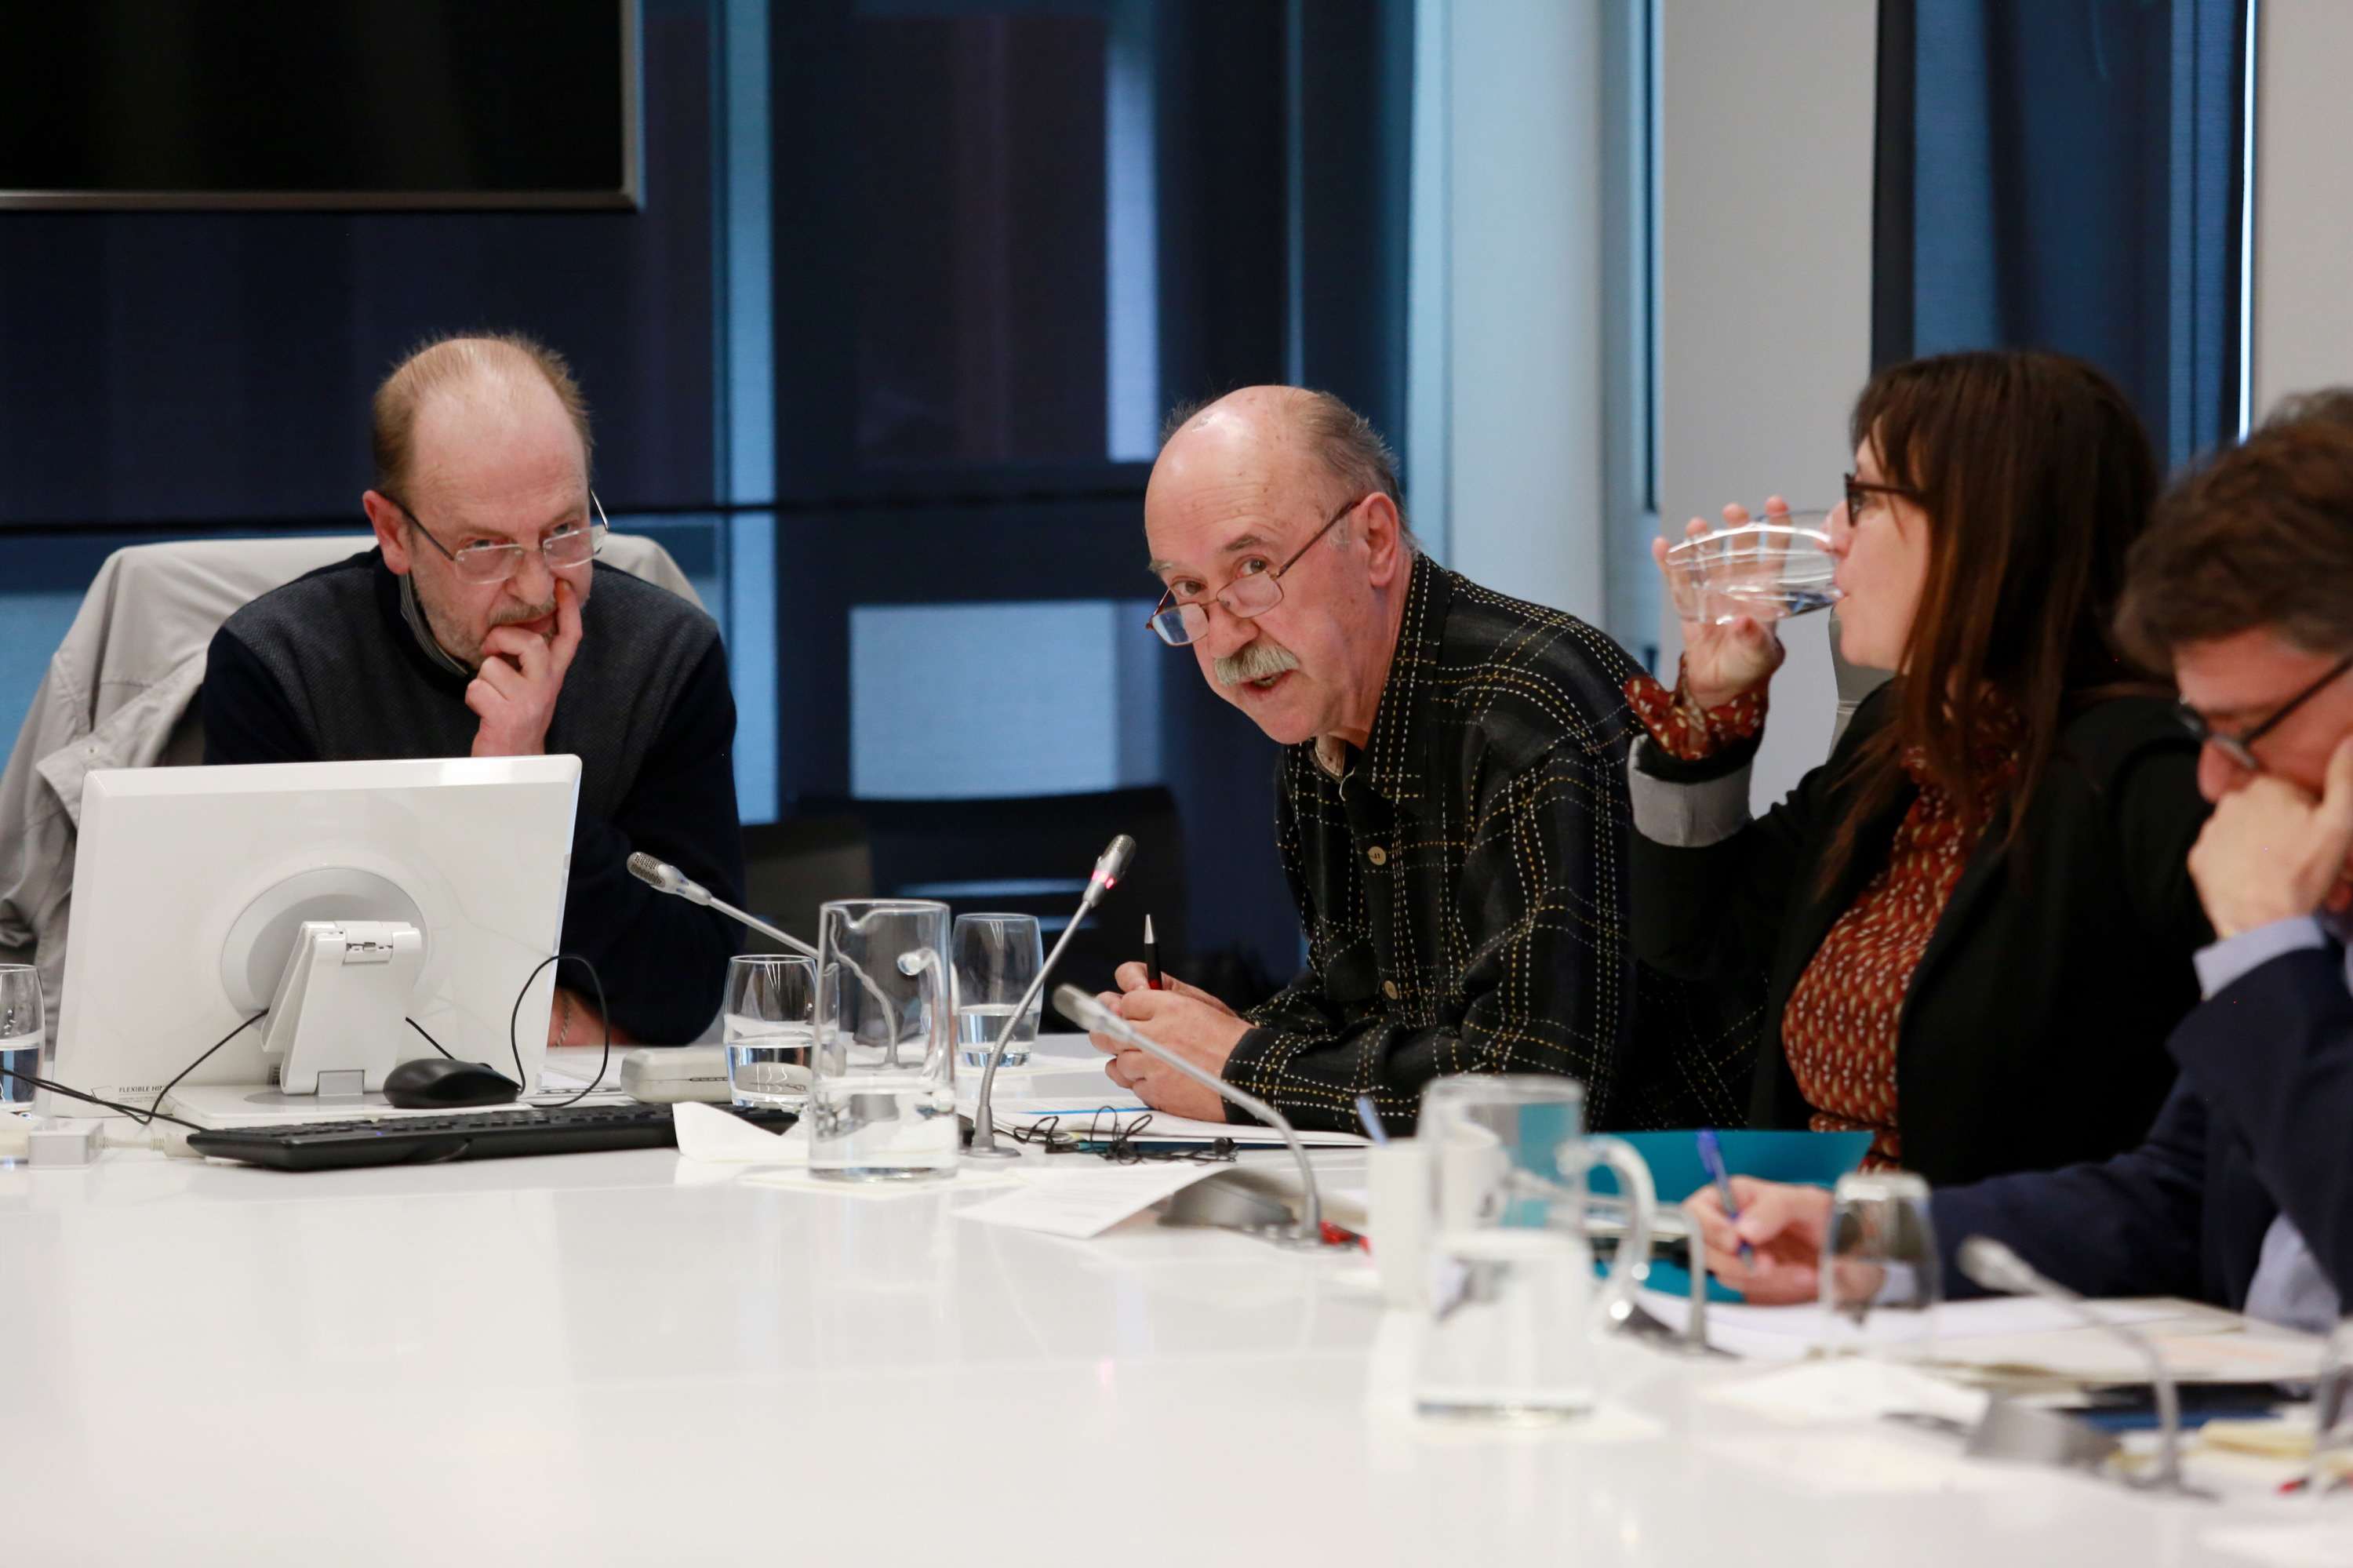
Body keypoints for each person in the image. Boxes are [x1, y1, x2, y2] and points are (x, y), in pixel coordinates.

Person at [1686, 404, 2353, 1329]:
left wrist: (2271, 960)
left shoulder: (2141, 784)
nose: (2215, 776)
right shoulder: (1897, 741)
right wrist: (1865, 1239)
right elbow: (2176, 1197)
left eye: (2245, 730)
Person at [1084, 386, 1753, 1134]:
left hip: (1680, 1208)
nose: (1226, 637)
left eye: (1253, 568)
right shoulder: (1320, 723)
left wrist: (1242, 1065)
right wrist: (1213, 1034)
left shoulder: (1529, 720)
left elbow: (1531, 1092)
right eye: (1189, 590)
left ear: (1373, 538)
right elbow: (1371, 1005)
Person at [1627, 350, 2212, 1186]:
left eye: (1863, 499)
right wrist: (1710, 716)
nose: (1833, 532)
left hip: (1991, 1287)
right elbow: (1693, 939)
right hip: (1808, 1271)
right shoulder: (1897, 733)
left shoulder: (2143, 778)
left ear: (1986, 527)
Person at [202, 333, 742, 1046]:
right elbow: (270, 993)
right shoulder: (279, 666)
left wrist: (529, 786)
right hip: (347, 1118)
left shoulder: (668, 657)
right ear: (393, 533)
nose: (537, 585)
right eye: (486, 547)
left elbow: (685, 987)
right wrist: (538, 1018)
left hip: (595, 1120)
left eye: (564, 529)